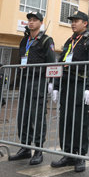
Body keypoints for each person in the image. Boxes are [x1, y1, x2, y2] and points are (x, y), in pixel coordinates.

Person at [51, 11, 89, 173]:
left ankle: (80, 155)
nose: (73, 23)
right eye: (72, 21)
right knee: (65, 119)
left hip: (81, 84)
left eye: (76, 21)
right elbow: (62, 64)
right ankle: (68, 154)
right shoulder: (70, 40)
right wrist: (56, 85)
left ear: (85, 23)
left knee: (80, 120)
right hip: (67, 84)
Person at [8, 12, 55, 166]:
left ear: (41, 23)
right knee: (23, 115)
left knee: (38, 116)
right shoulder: (24, 40)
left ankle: (38, 150)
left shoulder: (46, 40)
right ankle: (25, 147)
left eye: (34, 20)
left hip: (38, 81)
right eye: (29, 20)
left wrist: (51, 83)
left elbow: (51, 62)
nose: (31, 22)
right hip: (25, 81)